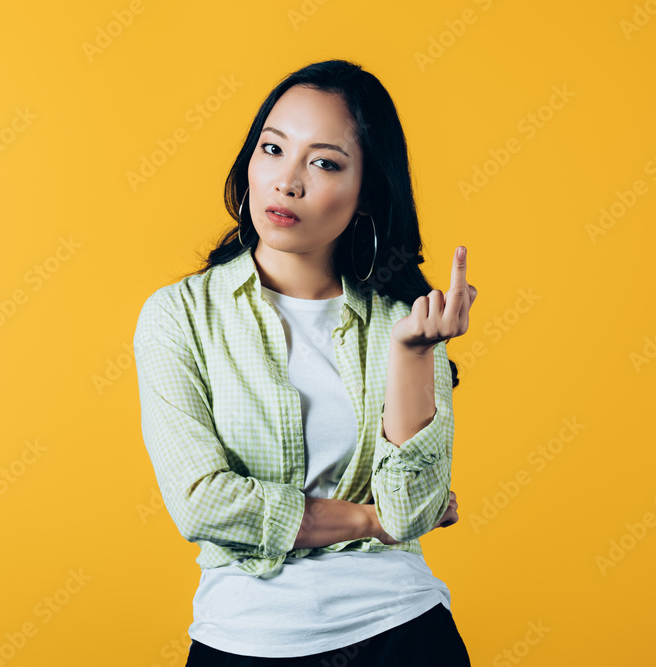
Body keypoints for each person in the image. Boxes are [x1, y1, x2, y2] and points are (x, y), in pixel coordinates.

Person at [134, 59, 477, 665]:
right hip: (242, 641)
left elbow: (416, 511)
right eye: (272, 149)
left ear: (366, 194)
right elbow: (202, 503)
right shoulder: (178, 316)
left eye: (324, 162)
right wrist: (371, 522)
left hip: (402, 632)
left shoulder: (407, 322)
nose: (286, 182)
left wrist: (412, 355)